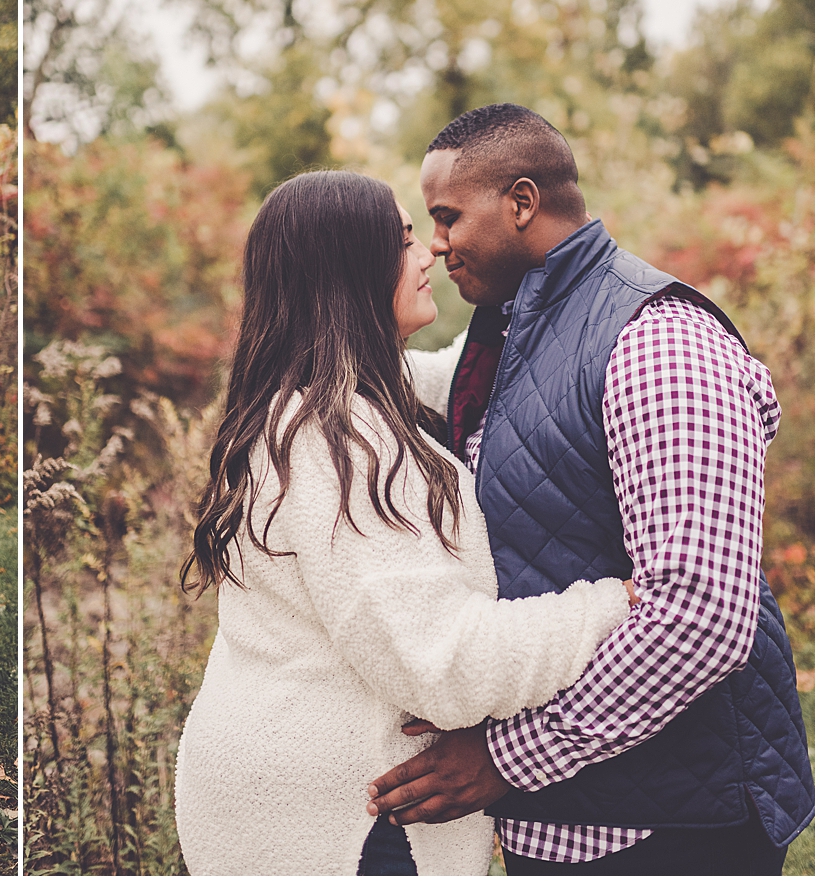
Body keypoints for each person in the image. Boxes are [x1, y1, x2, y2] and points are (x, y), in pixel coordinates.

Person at [366, 104, 814, 874]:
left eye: (446, 217)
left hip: (668, 829)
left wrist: (508, 758)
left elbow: (700, 614)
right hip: (568, 815)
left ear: (521, 202)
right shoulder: (512, 325)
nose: (435, 244)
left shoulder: (659, 340)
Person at [173, 169, 637, 875]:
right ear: (349, 268)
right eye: (405, 239)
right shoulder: (339, 442)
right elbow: (444, 664)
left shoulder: (312, 401)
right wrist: (609, 605)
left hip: (289, 785)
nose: (429, 255)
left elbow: (495, 370)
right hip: (343, 819)